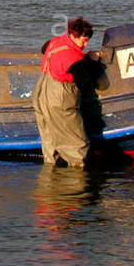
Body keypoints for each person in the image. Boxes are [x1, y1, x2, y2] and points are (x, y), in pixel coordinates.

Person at [33, 16, 99, 168]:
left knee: (50, 142)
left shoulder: (55, 42)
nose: (86, 44)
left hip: (41, 94)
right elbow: (86, 78)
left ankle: (52, 181)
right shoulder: (72, 57)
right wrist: (91, 61)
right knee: (75, 143)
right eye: (84, 40)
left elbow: (44, 48)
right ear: (74, 36)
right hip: (60, 98)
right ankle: (77, 183)